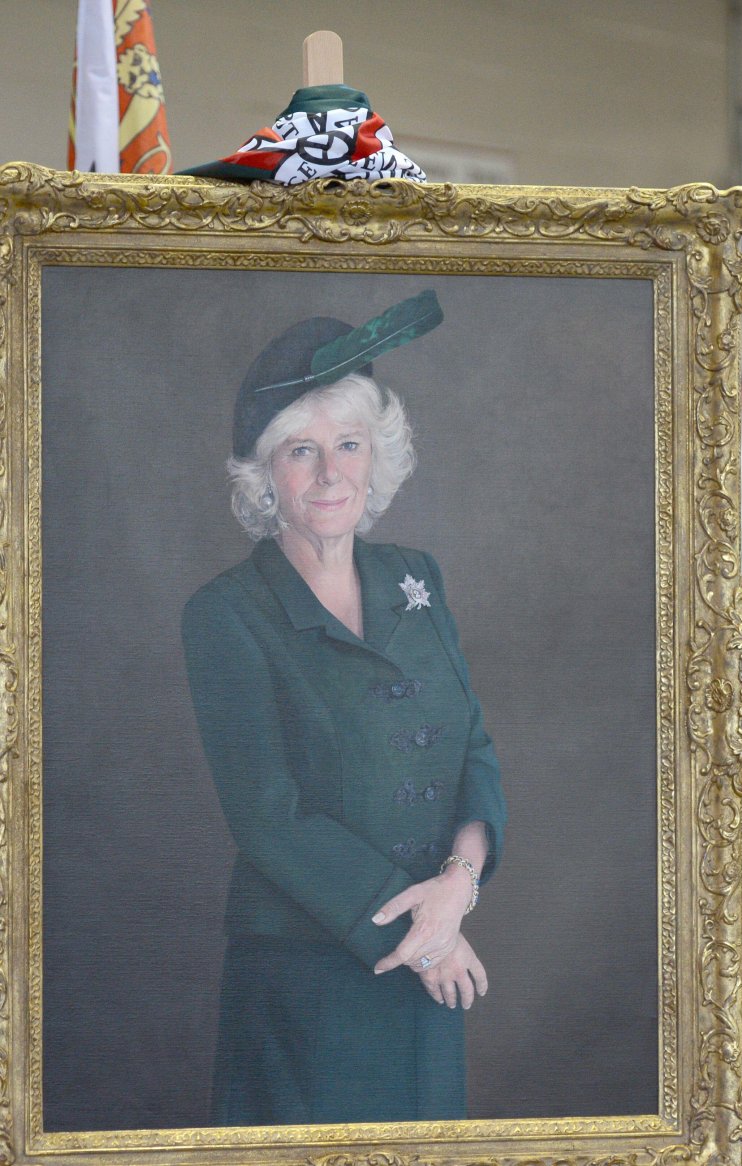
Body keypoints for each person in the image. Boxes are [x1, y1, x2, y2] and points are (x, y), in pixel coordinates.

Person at [182, 290, 506, 1125]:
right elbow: (269, 818)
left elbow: (472, 748)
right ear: (264, 475)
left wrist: (456, 891)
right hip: (309, 981)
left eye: (349, 444)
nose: (331, 474)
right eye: (301, 450)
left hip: (434, 947)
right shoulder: (225, 614)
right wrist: (423, 933)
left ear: (377, 455)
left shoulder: (419, 577)